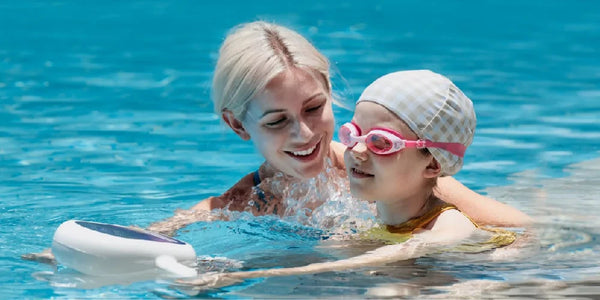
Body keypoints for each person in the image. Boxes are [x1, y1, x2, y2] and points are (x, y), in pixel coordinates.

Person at [23, 21, 530, 264]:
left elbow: (519, 229)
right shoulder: (248, 203)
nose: (305, 134)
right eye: (276, 121)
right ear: (238, 126)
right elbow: (155, 236)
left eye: (314, 109)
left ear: (332, 96)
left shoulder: (370, 166)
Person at [179, 70, 518, 290]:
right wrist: (220, 266)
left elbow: (392, 256)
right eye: (354, 133)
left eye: (381, 143)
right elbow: (318, 258)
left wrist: (245, 277)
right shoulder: (370, 220)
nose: (355, 151)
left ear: (432, 166)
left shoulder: (451, 225)